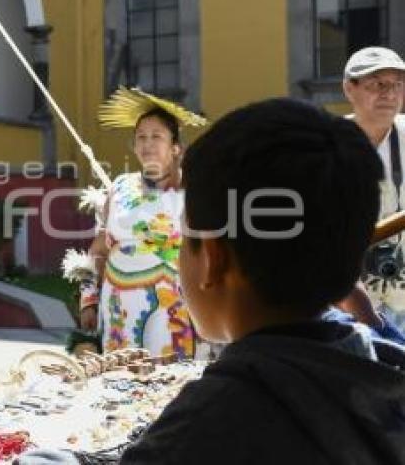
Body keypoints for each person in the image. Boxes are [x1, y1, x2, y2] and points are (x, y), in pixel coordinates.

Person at [24, 99, 405, 465]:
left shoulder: (208, 423)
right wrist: (370, 319)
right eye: (141, 136)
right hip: (123, 310)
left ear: (212, 258)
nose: (147, 144)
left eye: (186, 240)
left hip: (168, 319)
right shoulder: (384, 365)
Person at [75, 89, 206, 358]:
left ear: (175, 147)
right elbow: (98, 249)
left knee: (169, 381)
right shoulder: (119, 188)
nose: (147, 144)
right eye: (141, 138)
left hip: (171, 304)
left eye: (156, 136)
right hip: (117, 305)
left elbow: (208, 252)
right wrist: (88, 298)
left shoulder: (194, 190)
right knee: (120, 382)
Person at [341, 46, 405, 337]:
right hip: (347, 300)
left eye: (397, 84)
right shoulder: (325, 144)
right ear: (349, 88)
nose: (389, 93)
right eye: (377, 84)